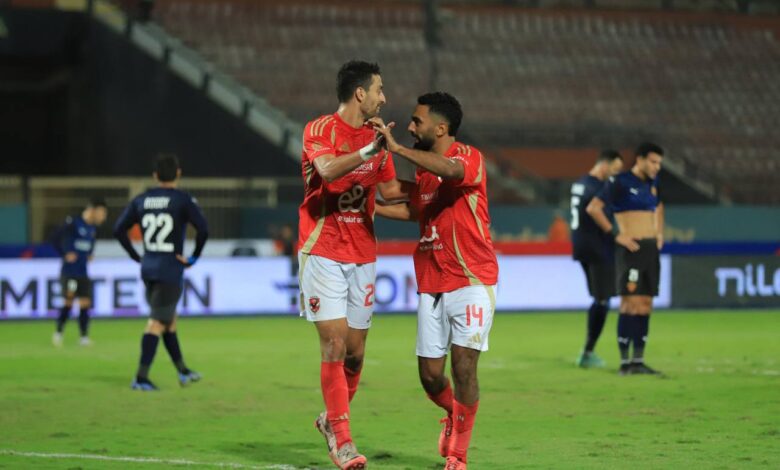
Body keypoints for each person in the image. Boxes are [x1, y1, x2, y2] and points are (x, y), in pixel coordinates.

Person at [373, 92, 498, 470]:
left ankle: (458, 454)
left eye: (417, 121)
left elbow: (453, 172)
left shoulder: (468, 158)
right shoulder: (428, 172)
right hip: (431, 282)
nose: (410, 126)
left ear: (441, 128)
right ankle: (454, 414)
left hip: (471, 278)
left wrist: (396, 148)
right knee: (430, 377)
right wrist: (370, 201)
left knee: (463, 366)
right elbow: (406, 202)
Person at [299, 60, 407, 470]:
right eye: (380, 89)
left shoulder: (377, 136)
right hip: (322, 247)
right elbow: (326, 170)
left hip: (362, 252)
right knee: (334, 343)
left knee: (356, 355)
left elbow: (391, 189)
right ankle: (343, 442)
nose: (385, 97)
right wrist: (367, 150)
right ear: (360, 93)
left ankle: (330, 420)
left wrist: (437, 194)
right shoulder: (319, 130)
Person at [113, 154, 209, 390]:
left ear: (155, 175)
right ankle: (141, 377)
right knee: (157, 322)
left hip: (149, 268)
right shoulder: (182, 200)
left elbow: (118, 230)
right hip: (170, 269)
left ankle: (183, 371)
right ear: (178, 173)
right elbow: (203, 229)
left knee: (169, 320)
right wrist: (193, 257)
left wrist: (137, 256)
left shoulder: (141, 200)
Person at [586, 143, 665, 375]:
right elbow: (594, 208)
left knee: (645, 304)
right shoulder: (619, 182)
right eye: (653, 162)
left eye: (659, 163)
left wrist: (659, 233)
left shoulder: (653, 183)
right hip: (631, 250)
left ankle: (638, 361)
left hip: (650, 250)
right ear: (639, 160)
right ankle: (624, 363)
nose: (656, 167)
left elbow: (659, 207)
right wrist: (616, 235)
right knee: (629, 303)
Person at [570, 150, 624, 368]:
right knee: (602, 299)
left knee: (599, 297)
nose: (616, 174)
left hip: (582, 245)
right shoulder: (598, 187)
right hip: (597, 247)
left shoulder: (580, 183)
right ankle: (588, 352)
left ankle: (588, 351)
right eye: (615, 169)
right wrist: (615, 234)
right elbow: (595, 211)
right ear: (605, 165)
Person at [50, 198, 108, 347]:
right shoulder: (73, 223)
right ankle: (58, 332)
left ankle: (83, 337)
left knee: (85, 304)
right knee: (68, 302)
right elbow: (54, 237)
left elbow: (90, 244)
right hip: (69, 272)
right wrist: (64, 254)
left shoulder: (92, 229)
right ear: (93, 210)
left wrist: (90, 253)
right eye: (102, 213)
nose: (104, 217)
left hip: (83, 272)